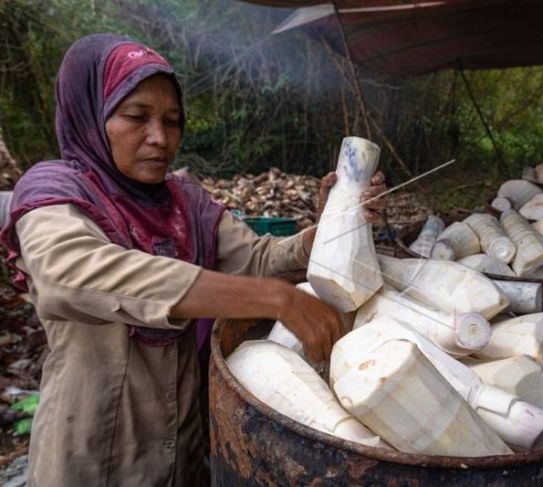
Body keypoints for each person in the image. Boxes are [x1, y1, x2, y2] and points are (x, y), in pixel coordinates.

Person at [0, 33, 386, 486]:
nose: (160, 138)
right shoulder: (56, 195)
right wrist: (274, 299)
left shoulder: (186, 206)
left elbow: (260, 259)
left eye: (173, 120)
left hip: (180, 450)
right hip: (92, 456)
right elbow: (70, 273)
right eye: (136, 117)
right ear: (91, 115)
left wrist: (332, 229)